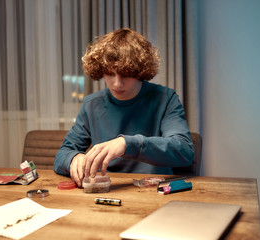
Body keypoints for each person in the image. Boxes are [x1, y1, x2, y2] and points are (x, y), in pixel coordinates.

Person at [54, 28, 194, 187]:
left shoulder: (165, 99)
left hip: (155, 190)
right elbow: (61, 155)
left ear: (140, 72)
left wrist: (127, 144)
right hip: (109, 190)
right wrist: (73, 159)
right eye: (109, 73)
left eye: (125, 74)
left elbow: (184, 151)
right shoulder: (92, 104)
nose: (116, 84)